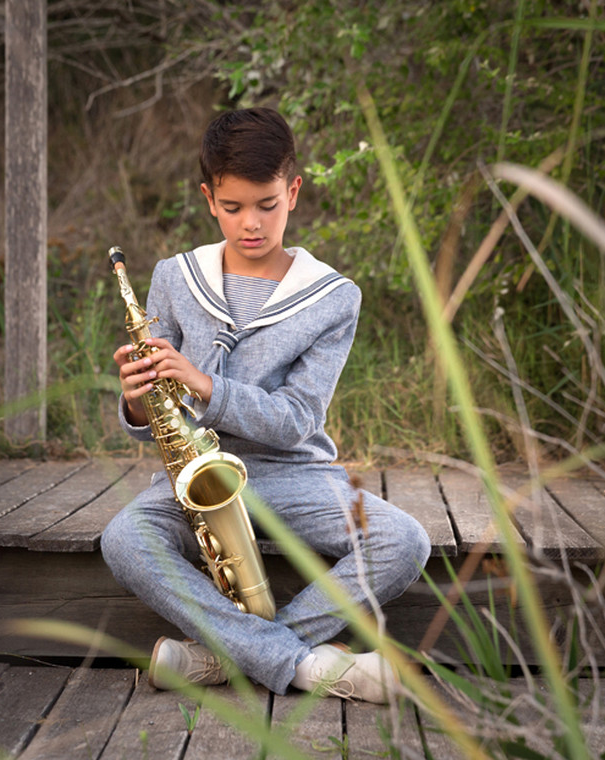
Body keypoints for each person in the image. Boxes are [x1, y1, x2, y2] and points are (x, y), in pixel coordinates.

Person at [100, 106, 430, 703]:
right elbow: (159, 421)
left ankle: (228, 658)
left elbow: (297, 420)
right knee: (124, 538)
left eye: (267, 205)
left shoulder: (333, 297)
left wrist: (205, 385)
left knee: (405, 540)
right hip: (196, 475)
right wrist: (138, 403)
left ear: (294, 191)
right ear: (208, 198)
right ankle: (304, 665)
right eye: (232, 208)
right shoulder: (174, 277)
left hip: (295, 475)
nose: (250, 224)